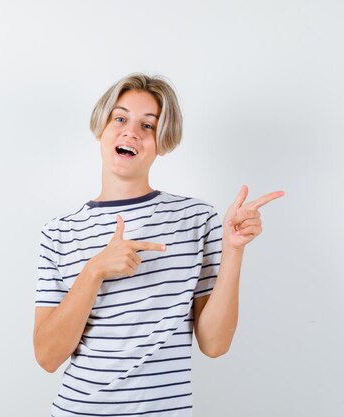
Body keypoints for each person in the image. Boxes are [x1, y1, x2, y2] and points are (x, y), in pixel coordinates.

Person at [33, 73, 284, 416]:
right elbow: (47, 357)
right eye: (119, 118)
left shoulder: (196, 219)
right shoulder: (59, 232)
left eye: (148, 125)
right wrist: (95, 271)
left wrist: (233, 250)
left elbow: (215, 344)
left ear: (162, 141)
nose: (130, 131)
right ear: (101, 129)